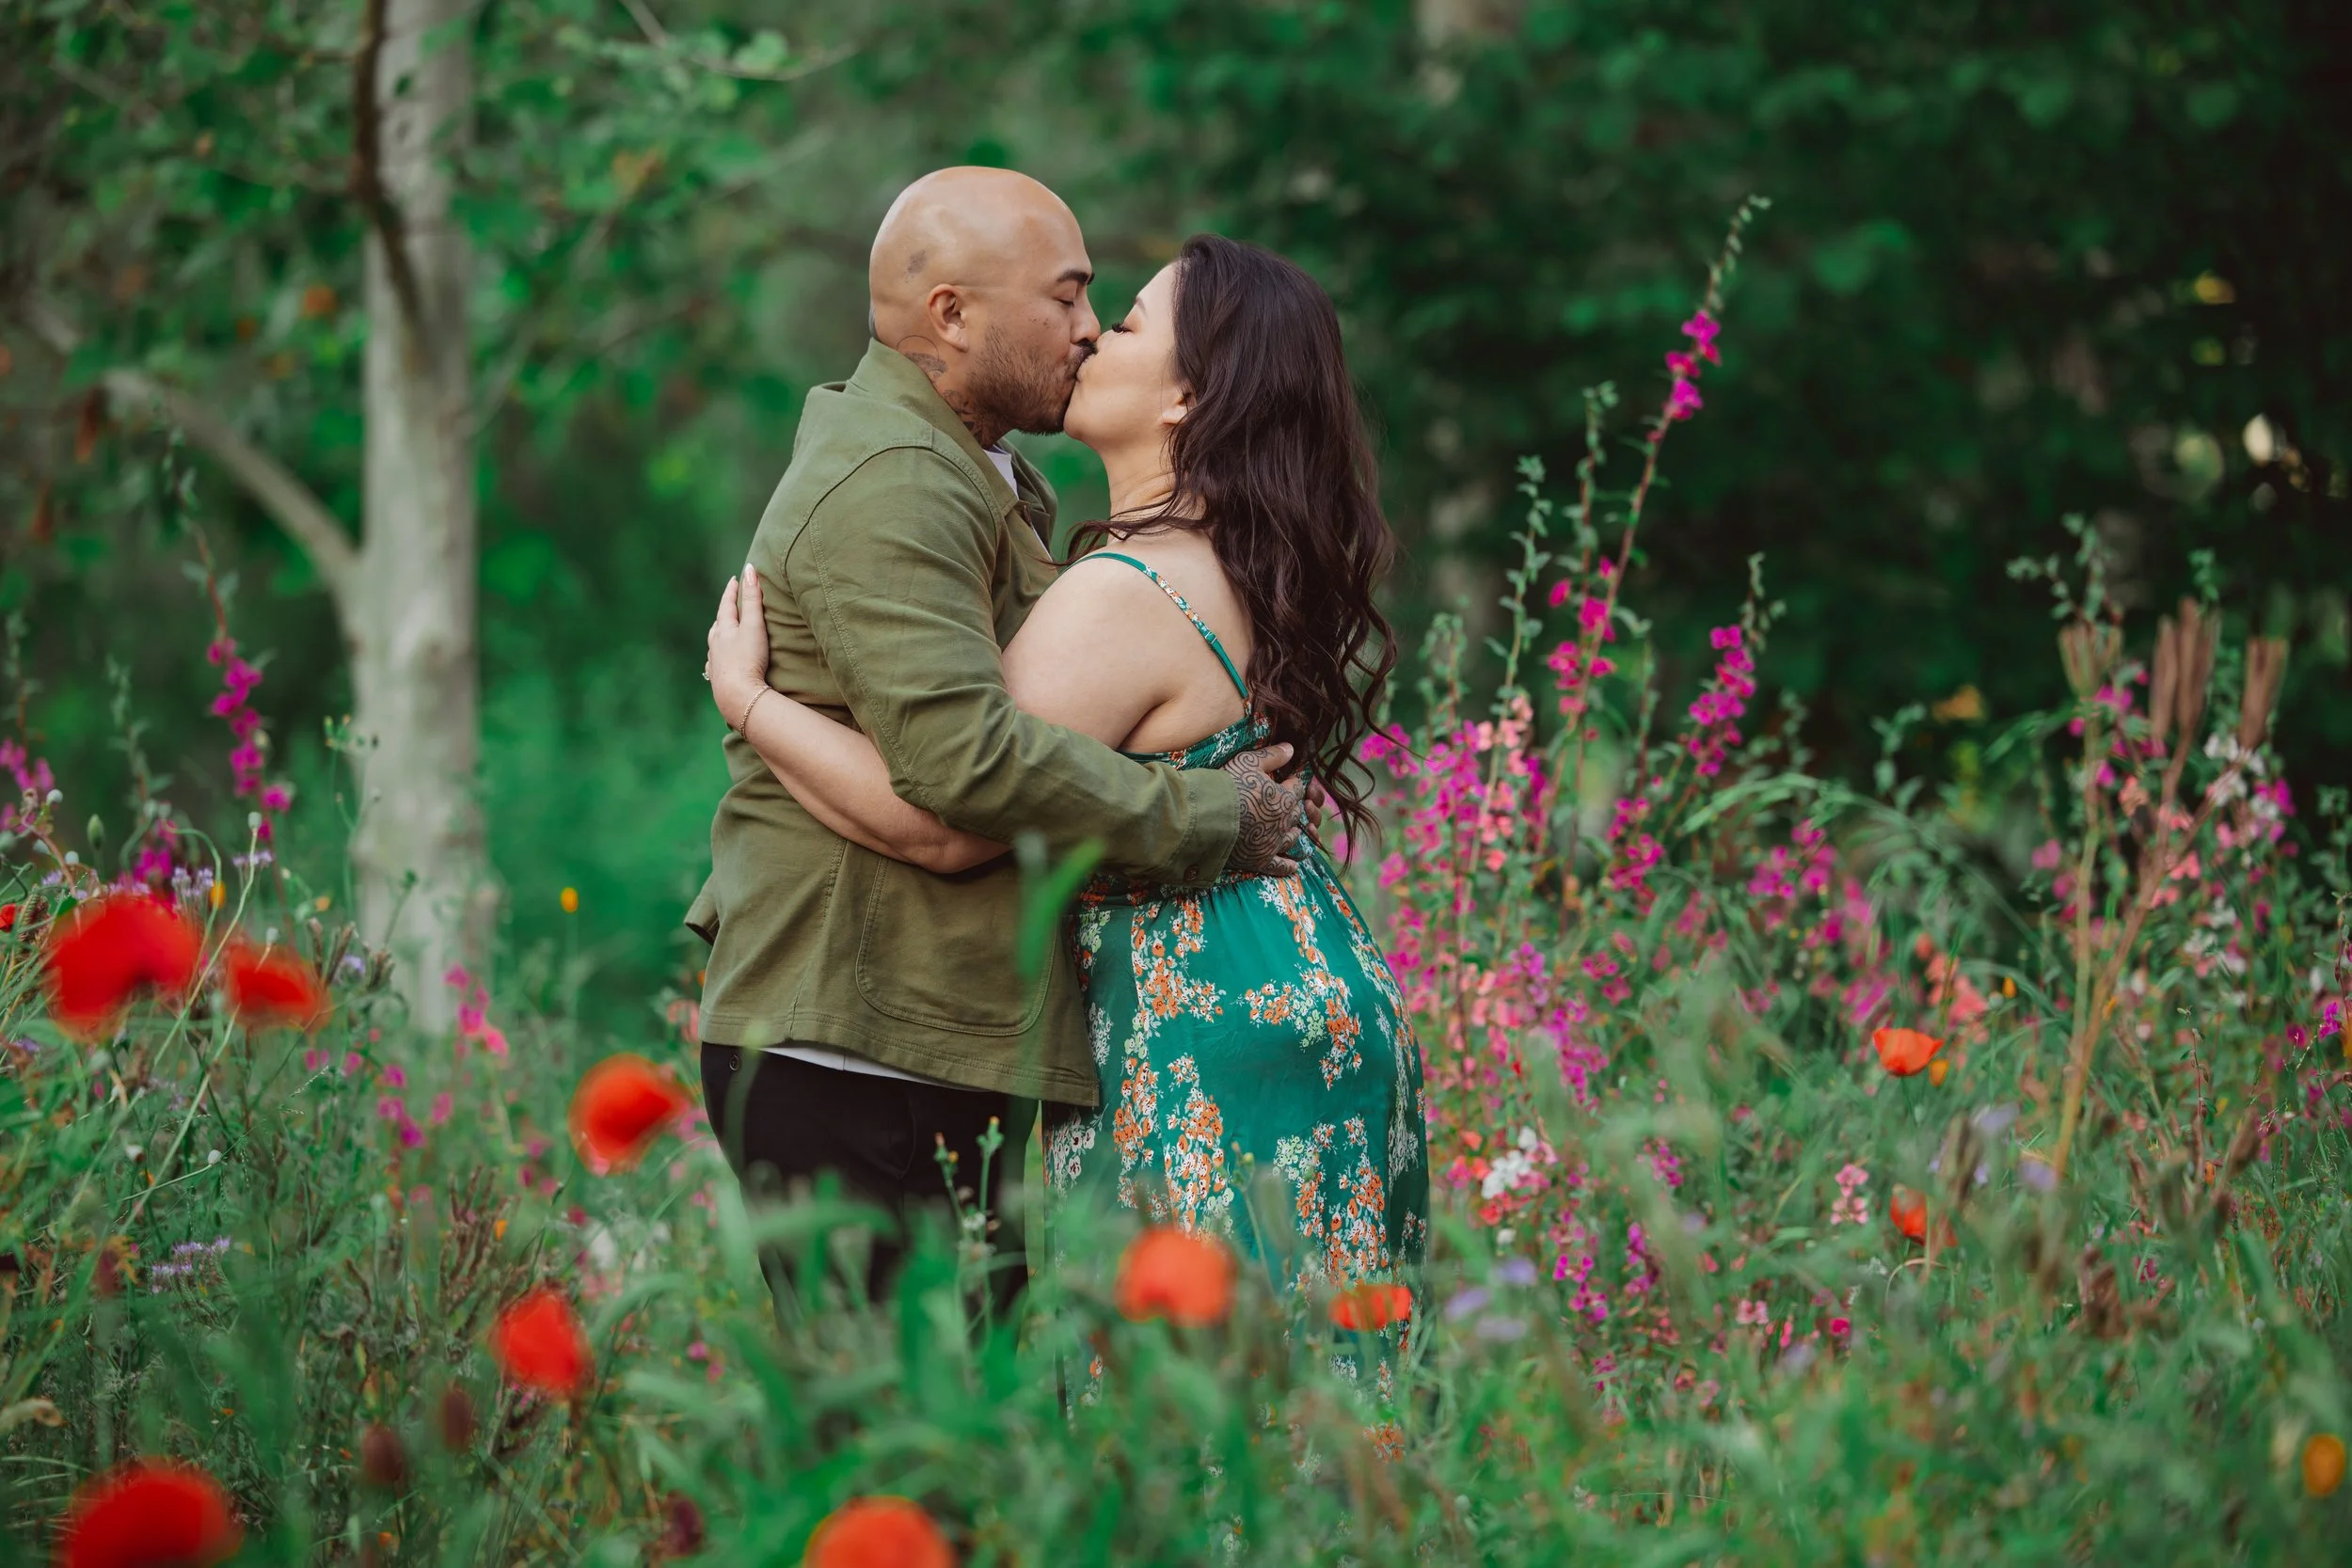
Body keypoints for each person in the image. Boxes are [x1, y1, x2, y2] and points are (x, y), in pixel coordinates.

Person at [704, 230, 1427, 1297]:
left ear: (1189, 398)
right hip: (1305, 988)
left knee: (1196, 1408)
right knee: (1310, 1398)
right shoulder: (1236, 565)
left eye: (1126, 322)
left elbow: (954, 815)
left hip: (1201, 1028)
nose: (1089, 335)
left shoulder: (1123, 589)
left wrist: (750, 701)